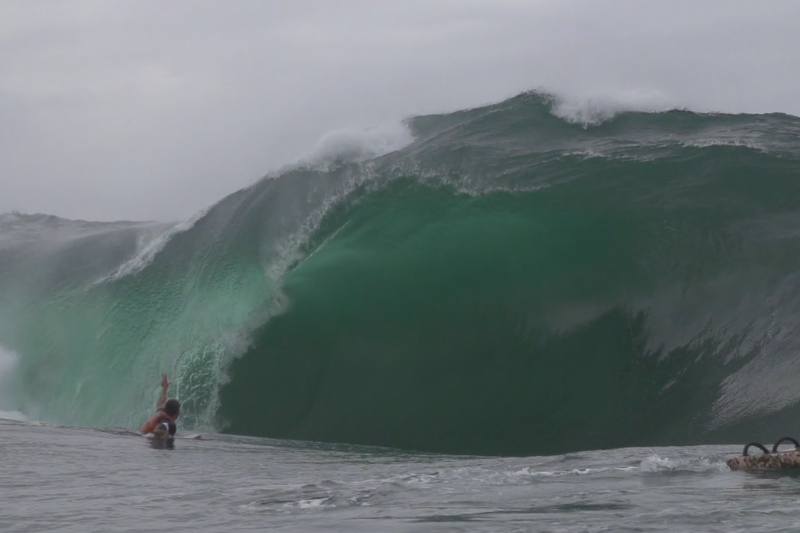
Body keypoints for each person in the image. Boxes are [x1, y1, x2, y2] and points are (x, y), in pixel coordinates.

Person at [141, 373, 180, 438]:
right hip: (147, 440)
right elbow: (158, 430)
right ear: (176, 414)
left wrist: (165, 388)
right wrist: (165, 436)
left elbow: (160, 403)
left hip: (141, 434)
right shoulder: (168, 422)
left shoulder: (161, 412)